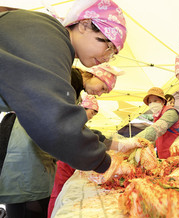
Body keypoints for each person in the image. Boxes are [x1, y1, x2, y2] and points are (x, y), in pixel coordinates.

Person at [0, 0, 127, 176]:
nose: (107, 57)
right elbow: (53, 120)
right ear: (84, 25)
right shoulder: (49, 37)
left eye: (113, 54)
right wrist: (104, 162)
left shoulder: (52, 40)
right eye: (108, 46)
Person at [135, 87, 179, 159]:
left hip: (177, 155)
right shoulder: (157, 116)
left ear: (163, 101)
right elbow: (157, 138)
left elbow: (156, 129)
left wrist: (133, 140)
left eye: (155, 100)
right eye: (150, 102)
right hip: (163, 156)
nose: (152, 104)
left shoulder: (171, 112)